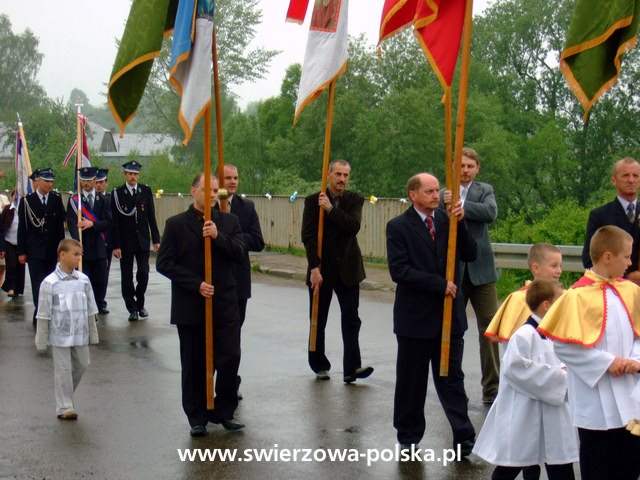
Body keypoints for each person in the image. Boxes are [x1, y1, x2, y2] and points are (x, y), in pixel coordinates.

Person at [539, 225, 640, 480]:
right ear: (608, 257)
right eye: (626, 256)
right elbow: (562, 345)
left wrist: (635, 360)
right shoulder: (576, 296)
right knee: (597, 465)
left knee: (629, 464)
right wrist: (607, 362)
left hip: (631, 394)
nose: (630, 263)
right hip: (595, 398)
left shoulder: (631, 291)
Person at [386, 172, 477, 455]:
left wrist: (460, 224)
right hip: (415, 318)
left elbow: (470, 253)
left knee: (452, 379)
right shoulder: (398, 226)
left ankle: (463, 435)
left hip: (449, 317)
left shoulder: (448, 221)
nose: (436, 196)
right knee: (412, 381)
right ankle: (408, 435)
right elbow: (399, 270)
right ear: (413, 194)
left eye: (437, 190)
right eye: (429, 191)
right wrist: (439, 285)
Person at [156, 173, 246, 437]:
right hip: (191, 304)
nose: (213, 195)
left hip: (224, 302)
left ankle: (224, 411)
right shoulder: (176, 224)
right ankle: (196, 416)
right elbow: (164, 263)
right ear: (193, 191)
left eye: (217, 191)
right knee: (194, 363)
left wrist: (218, 237)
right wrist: (195, 283)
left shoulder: (229, 222)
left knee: (229, 357)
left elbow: (240, 254)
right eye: (208, 190)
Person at [473, 279, 578, 480]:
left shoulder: (560, 334)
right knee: (512, 466)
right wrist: (561, 377)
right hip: (526, 414)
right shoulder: (524, 335)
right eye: (562, 302)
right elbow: (517, 370)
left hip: (554, 415)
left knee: (560, 464)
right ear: (547, 305)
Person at [301, 159, 374, 383]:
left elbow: (353, 226)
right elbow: (308, 236)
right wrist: (314, 267)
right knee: (318, 318)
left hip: (349, 269)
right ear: (329, 175)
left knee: (351, 319)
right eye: (338, 174)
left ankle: (352, 367)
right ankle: (319, 364)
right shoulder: (314, 201)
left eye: (346, 175)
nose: (342, 179)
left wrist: (330, 210)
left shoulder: (354, 199)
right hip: (322, 269)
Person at [441, 147, 500, 403]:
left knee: (490, 330)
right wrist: (446, 205)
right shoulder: (442, 192)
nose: (465, 171)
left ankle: (492, 388)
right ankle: (452, 386)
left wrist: (462, 206)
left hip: (482, 272)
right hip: (454, 271)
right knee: (453, 330)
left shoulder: (484, 190)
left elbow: (491, 213)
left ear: (477, 168)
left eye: (469, 166)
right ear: (454, 167)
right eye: (461, 166)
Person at [34, 238, 99, 420]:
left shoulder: (83, 280)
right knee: (63, 370)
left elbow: (91, 309)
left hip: (80, 334)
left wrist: (93, 335)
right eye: (75, 254)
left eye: (80, 254)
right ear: (62, 255)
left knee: (83, 364)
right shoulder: (50, 283)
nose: (79, 258)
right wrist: (41, 340)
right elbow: (43, 314)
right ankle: (64, 407)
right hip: (59, 335)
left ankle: (66, 395)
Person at [218, 164, 265, 399]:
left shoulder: (246, 207)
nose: (233, 182)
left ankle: (230, 383)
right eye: (228, 178)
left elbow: (258, 241)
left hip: (238, 282)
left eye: (236, 177)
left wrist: (233, 238)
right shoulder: (209, 205)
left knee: (233, 337)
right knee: (215, 336)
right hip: (213, 282)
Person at [110, 161, 160, 321]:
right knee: (126, 276)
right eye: (130, 174)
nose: (133, 177)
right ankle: (131, 307)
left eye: (135, 174)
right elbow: (115, 222)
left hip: (142, 240)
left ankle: (140, 303)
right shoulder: (117, 193)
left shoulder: (145, 190)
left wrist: (156, 239)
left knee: (144, 273)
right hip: (125, 242)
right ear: (125, 175)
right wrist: (116, 245)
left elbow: (151, 215)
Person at [485, 243, 563, 343]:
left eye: (560, 266)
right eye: (554, 266)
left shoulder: (564, 296)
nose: (559, 271)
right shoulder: (517, 299)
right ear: (536, 268)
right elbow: (510, 343)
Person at [18, 168, 66, 326]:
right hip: (35, 251)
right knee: (38, 283)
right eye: (46, 181)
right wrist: (22, 251)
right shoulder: (27, 201)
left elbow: (59, 227)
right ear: (37, 182)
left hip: (52, 250)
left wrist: (62, 250)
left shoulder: (56, 199)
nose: (49, 184)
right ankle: (40, 312)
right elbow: (23, 229)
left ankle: (50, 312)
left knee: (52, 283)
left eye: (51, 181)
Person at [582, 157, 640, 282]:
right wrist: (626, 278)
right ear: (614, 181)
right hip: (614, 289)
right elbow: (589, 259)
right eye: (625, 175)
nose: (631, 180)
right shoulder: (599, 216)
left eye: (635, 176)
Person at [66, 167, 112, 315]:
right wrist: (77, 242)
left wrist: (92, 224)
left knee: (101, 280)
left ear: (94, 180)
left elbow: (109, 222)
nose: (86, 183)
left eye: (89, 180)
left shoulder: (104, 200)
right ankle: (87, 308)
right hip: (83, 247)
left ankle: (99, 305)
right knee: (85, 279)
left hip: (100, 246)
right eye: (83, 180)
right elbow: (72, 223)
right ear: (80, 181)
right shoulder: (75, 201)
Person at [95, 168, 113, 313]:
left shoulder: (111, 199)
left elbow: (114, 223)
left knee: (104, 274)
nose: (99, 185)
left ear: (106, 183)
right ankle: (94, 300)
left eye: (101, 182)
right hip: (93, 242)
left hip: (107, 242)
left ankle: (101, 300)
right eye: (97, 182)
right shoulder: (87, 200)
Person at [1, 191, 26, 298]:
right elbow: (1, 229)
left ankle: (18, 289)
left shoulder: (24, 210)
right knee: (11, 264)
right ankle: (10, 287)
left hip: (21, 242)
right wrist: (1, 247)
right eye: (14, 196)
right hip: (9, 241)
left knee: (20, 265)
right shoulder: (7, 209)